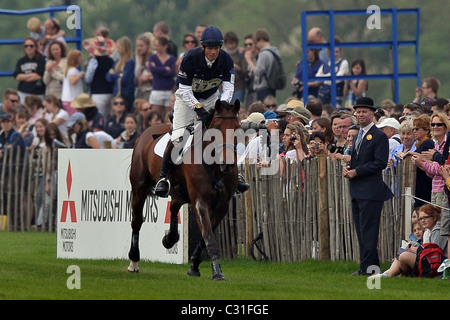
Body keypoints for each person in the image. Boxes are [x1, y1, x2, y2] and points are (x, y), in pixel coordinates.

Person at [154, 26, 249, 197]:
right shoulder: (190, 58)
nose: (213, 52)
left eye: (217, 48)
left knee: (224, 134)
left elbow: (228, 88)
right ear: (203, 47)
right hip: (186, 98)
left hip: (212, 98)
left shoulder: (226, 60)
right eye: (210, 48)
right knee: (178, 137)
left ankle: (234, 176)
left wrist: (221, 107)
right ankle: (164, 178)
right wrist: (199, 109)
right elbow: (184, 90)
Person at [343, 97, 393, 276]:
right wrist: (349, 168)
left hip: (371, 191)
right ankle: (368, 266)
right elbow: (358, 159)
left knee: (369, 231)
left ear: (372, 114)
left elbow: (379, 163)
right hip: (357, 190)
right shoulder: (358, 135)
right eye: (358, 111)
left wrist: (357, 172)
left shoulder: (379, 136)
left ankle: (369, 268)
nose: (360, 114)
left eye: (364, 111)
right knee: (361, 230)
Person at [370, 204, 447, 278]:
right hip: (428, 261)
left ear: (434, 217)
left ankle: (389, 274)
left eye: (425, 217)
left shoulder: (437, 231)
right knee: (402, 255)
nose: (422, 221)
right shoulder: (427, 231)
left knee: (404, 256)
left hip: (435, 264)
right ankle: (388, 274)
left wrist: (417, 251)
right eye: (420, 219)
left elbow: (435, 253)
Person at [412, 112, 450, 208]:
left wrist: (422, 163)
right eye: (433, 124)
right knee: (436, 221)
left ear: (446, 126)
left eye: (439, 124)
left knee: (441, 222)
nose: (435, 127)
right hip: (434, 188)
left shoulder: (446, 144)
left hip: (443, 189)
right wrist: (428, 164)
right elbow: (432, 173)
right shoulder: (436, 144)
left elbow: (442, 169)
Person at [83, 36, 116, 117]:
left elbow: (88, 79)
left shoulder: (93, 61)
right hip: (110, 92)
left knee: (99, 118)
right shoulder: (111, 61)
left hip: (97, 93)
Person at [245, 28, 281, 101]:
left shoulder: (264, 54)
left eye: (256, 43)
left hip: (264, 88)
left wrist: (249, 61)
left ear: (261, 40)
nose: (256, 46)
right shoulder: (274, 52)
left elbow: (258, 72)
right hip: (272, 86)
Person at [315, 37, 349, 107]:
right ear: (329, 52)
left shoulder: (343, 63)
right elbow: (317, 78)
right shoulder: (325, 64)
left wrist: (324, 76)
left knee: (334, 114)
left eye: (337, 52)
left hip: (336, 96)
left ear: (340, 52)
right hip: (322, 95)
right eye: (333, 51)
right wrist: (330, 76)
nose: (335, 54)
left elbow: (338, 78)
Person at [148, 36, 176, 119]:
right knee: (156, 116)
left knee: (168, 116)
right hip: (157, 90)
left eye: (158, 45)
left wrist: (158, 69)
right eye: (155, 46)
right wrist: (165, 68)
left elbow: (171, 73)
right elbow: (152, 69)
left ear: (165, 46)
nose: (156, 48)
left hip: (168, 90)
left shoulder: (171, 58)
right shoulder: (152, 57)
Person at [106, 36, 135, 113]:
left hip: (125, 93)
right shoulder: (117, 62)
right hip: (116, 92)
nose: (117, 50)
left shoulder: (130, 62)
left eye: (118, 47)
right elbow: (108, 77)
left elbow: (125, 79)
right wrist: (118, 75)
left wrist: (114, 74)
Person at [13, 37, 46, 102]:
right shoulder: (21, 61)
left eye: (31, 46)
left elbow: (39, 75)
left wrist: (24, 77)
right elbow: (17, 76)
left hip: (38, 92)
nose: (29, 48)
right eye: (26, 46)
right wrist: (32, 75)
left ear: (35, 47)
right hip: (23, 92)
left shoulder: (41, 59)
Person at [224, 31, 247, 104]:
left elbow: (245, 71)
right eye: (228, 43)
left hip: (238, 87)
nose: (230, 46)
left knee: (237, 108)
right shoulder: (223, 54)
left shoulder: (240, 54)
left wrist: (238, 69)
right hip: (224, 88)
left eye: (232, 43)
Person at [61, 50, 84, 115]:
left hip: (68, 99)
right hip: (72, 100)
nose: (81, 59)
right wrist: (80, 75)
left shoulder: (69, 70)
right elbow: (72, 81)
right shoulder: (73, 70)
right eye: (80, 57)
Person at [134, 33, 154, 101]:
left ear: (147, 46)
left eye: (141, 46)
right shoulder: (137, 58)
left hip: (151, 89)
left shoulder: (153, 56)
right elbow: (136, 75)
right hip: (141, 90)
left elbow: (157, 72)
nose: (139, 48)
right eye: (138, 46)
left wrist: (148, 76)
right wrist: (140, 60)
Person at [243, 34, 258, 109]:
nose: (248, 46)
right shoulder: (244, 57)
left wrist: (250, 60)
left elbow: (258, 72)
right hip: (249, 90)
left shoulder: (259, 57)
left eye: (250, 44)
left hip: (258, 91)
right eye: (246, 45)